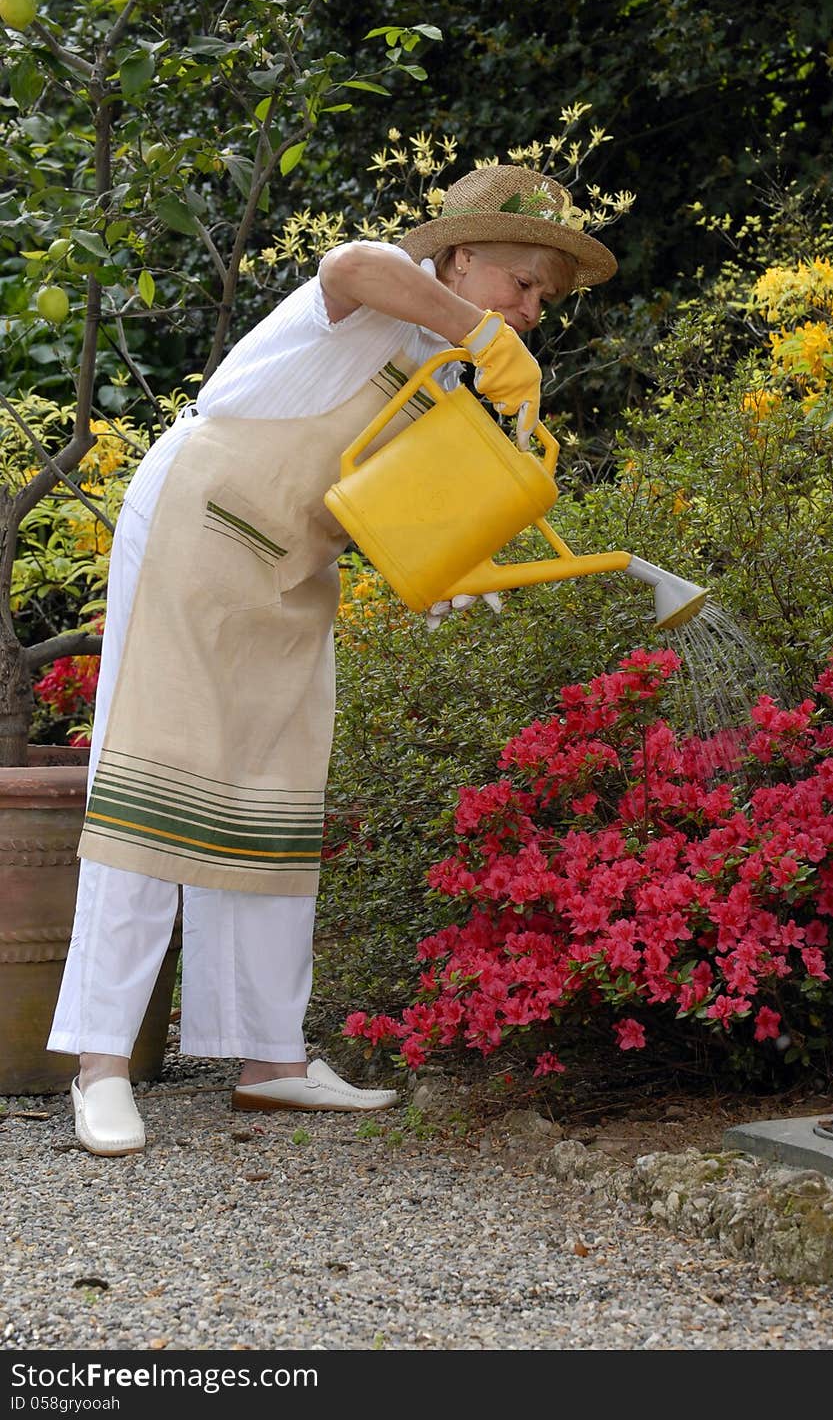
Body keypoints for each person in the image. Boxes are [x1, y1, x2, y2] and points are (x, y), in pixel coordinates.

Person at [46, 162, 617, 1156]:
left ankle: (268, 1059)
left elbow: (387, 507)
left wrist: (457, 556)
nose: (528, 309)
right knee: (152, 772)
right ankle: (98, 1062)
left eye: (540, 301)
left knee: (276, 789)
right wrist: (474, 329)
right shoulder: (381, 296)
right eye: (519, 284)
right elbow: (349, 261)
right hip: (197, 526)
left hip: (292, 565)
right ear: (461, 253)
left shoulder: (445, 368)